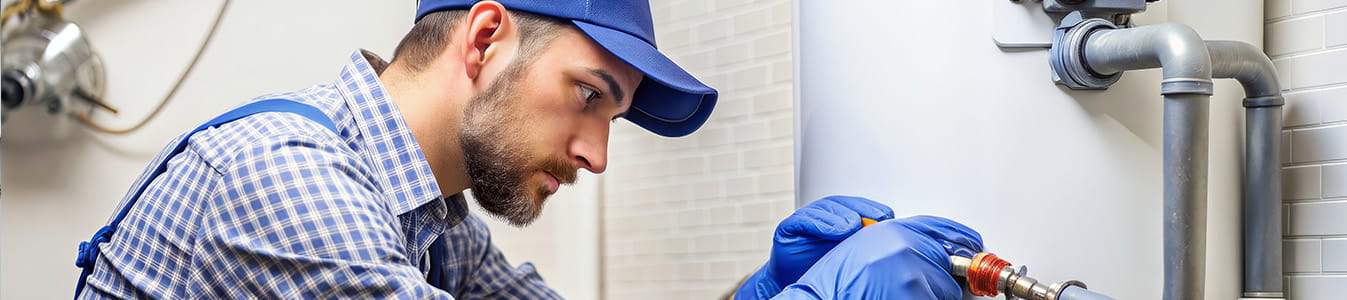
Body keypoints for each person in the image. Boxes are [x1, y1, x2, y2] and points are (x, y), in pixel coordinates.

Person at [72, 0, 982, 299]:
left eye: (613, 117)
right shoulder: (284, 174)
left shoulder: (433, 217)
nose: (596, 153)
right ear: (483, 42)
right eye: (588, 96)